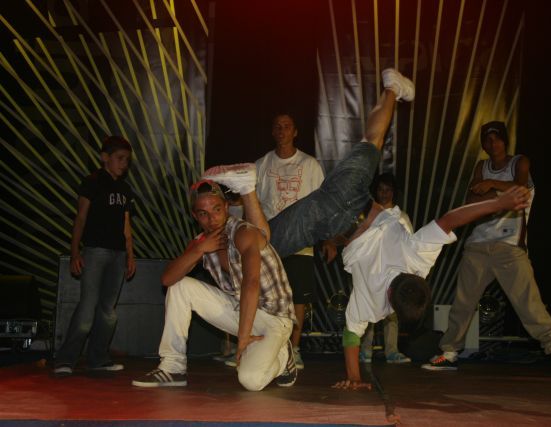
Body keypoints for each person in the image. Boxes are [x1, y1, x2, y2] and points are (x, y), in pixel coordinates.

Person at [199, 71, 529, 392]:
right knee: (263, 243)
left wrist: (499, 203)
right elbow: (351, 336)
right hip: (328, 220)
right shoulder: (375, 305)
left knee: (372, 139)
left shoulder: (419, 262)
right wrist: (354, 376)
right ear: (392, 305)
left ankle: (391, 88)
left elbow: (450, 220)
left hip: (353, 197)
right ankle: (247, 187)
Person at [422, 121, 551, 380]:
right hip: (478, 244)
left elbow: (520, 190)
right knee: (463, 302)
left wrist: (490, 185)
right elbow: (471, 201)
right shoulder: (481, 166)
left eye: (496, 138)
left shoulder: (519, 162)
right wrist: (495, 193)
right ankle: (449, 353)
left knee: (529, 304)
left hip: (509, 246)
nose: (492, 143)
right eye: (487, 139)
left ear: (505, 140)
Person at [131, 176, 298, 390]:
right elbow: (167, 279)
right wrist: (200, 249)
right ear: (195, 216)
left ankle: (283, 356)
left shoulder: (244, 233)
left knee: (251, 381)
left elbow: (251, 284)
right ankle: (173, 367)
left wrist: (243, 338)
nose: (212, 219)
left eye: (217, 209)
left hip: (273, 317)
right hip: (241, 310)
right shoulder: (202, 242)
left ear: (226, 207)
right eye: (203, 213)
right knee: (180, 286)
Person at [54, 136, 136, 376]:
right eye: (120, 158)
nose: (124, 164)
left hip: (118, 254)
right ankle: (65, 360)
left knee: (108, 310)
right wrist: (75, 252)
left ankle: (98, 358)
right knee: (87, 309)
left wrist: (130, 255)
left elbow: (126, 225)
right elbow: (80, 218)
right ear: (105, 157)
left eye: (127, 160)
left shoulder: (125, 189)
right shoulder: (92, 182)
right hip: (95, 251)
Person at [255, 112, 325, 369]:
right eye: (277, 126)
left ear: (295, 132)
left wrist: (326, 238)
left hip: (300, 239)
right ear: (272, 132)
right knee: (267, 296)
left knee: (298, 297)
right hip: (269, 239)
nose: (282, 130)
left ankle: (294, 350)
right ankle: (264, 348)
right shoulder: (261, 164)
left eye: (287, 126)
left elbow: (320, 204)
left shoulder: (310, 165)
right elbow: (253, 204)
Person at [358, 173, 412, 364]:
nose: (384, 193)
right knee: (369, 310)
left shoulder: (401, 216)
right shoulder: (369, 214)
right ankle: (365, 351)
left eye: (388, 190)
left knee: (391, 311)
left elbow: (409, 243)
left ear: (394, 192)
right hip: (371, 269)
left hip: (393, 271)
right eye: (381, 189)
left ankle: (392, 351)